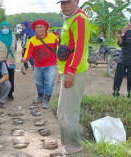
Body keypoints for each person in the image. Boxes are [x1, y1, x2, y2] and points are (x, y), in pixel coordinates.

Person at [56, 0, 91, 155]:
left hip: (74, 71)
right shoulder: (69, 19)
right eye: (62, 3)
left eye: (68, 2)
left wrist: (71, 72)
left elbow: (80, 48)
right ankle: (68, 142)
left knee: (68, 111)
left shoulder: (80, 19)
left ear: (77, 1)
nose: (65, 6)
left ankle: (74, 144)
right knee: (63, 110)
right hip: (68, 70)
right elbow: (67, 46)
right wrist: (62, 71)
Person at [20, 20, 58, 109]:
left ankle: (47, 100)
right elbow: (28, 52)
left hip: (50, 65)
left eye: (41, 27)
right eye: (37, 27)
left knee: (49, 83)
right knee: (38, 82)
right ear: (35, 29)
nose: (39, 29)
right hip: (37, 65)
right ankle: (40, 97)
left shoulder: (54, 38)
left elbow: (59, 50)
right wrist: (25, 59)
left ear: (45, 28)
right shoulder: (32, 40)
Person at [0, 21, 17, 100]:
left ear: (9, 28)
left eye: (6, 27)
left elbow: (15, 48)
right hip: (1, 62)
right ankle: (3, 93)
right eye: (3, 28)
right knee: (2, 77)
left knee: (11, 77)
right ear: (0, 29)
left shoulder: (13, 37)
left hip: (10, 61)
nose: (5, 29)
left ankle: (10, 93)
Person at [113, 29, 131, 97]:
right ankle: (115, 93)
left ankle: (130, 95)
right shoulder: (128, 32)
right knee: (118, 76)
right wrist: (119, 38)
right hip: (123, 58)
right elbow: (121, 43)